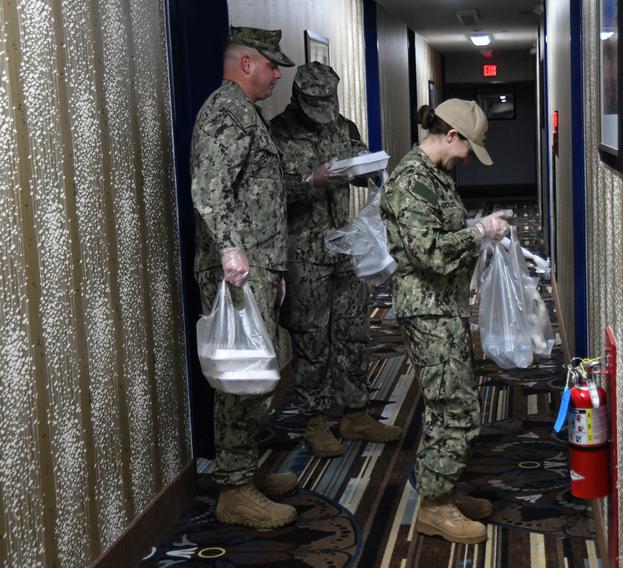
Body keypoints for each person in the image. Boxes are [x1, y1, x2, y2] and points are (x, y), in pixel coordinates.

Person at [380, 99, 509, 544]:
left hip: (443, 305)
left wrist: (477, 228)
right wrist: (478, 232)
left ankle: (443, 488)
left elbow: (439, 232)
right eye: (467, 147)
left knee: (450, 398)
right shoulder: (412, 181)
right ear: (450, 135)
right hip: (427, 308)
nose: (468, 158)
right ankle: (435, 506)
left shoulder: (435, 175)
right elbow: (429, 252)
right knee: (454, 406)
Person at [191, 26, 298, 529]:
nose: (278, 74)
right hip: (237, 272)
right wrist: (233, 252)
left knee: (255, 375)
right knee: (239, 379)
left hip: (257, 266)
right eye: (272, 64)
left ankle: (246, 470)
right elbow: (211, 187)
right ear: (246, 63)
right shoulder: (226, 111)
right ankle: (234, 490)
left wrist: (270, 266)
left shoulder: (248, 113)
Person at [271, 62, 402, 458]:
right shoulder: (277, 134)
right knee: (312, 338)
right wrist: (312, 181)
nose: (323, 113)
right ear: (297, 99)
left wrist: (365, 169)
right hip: (303, 253)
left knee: (352, 329)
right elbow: (270, 194)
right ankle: (315, 420)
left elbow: (360, 158)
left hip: (343, 247)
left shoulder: (342, 127)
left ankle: (355, 412)